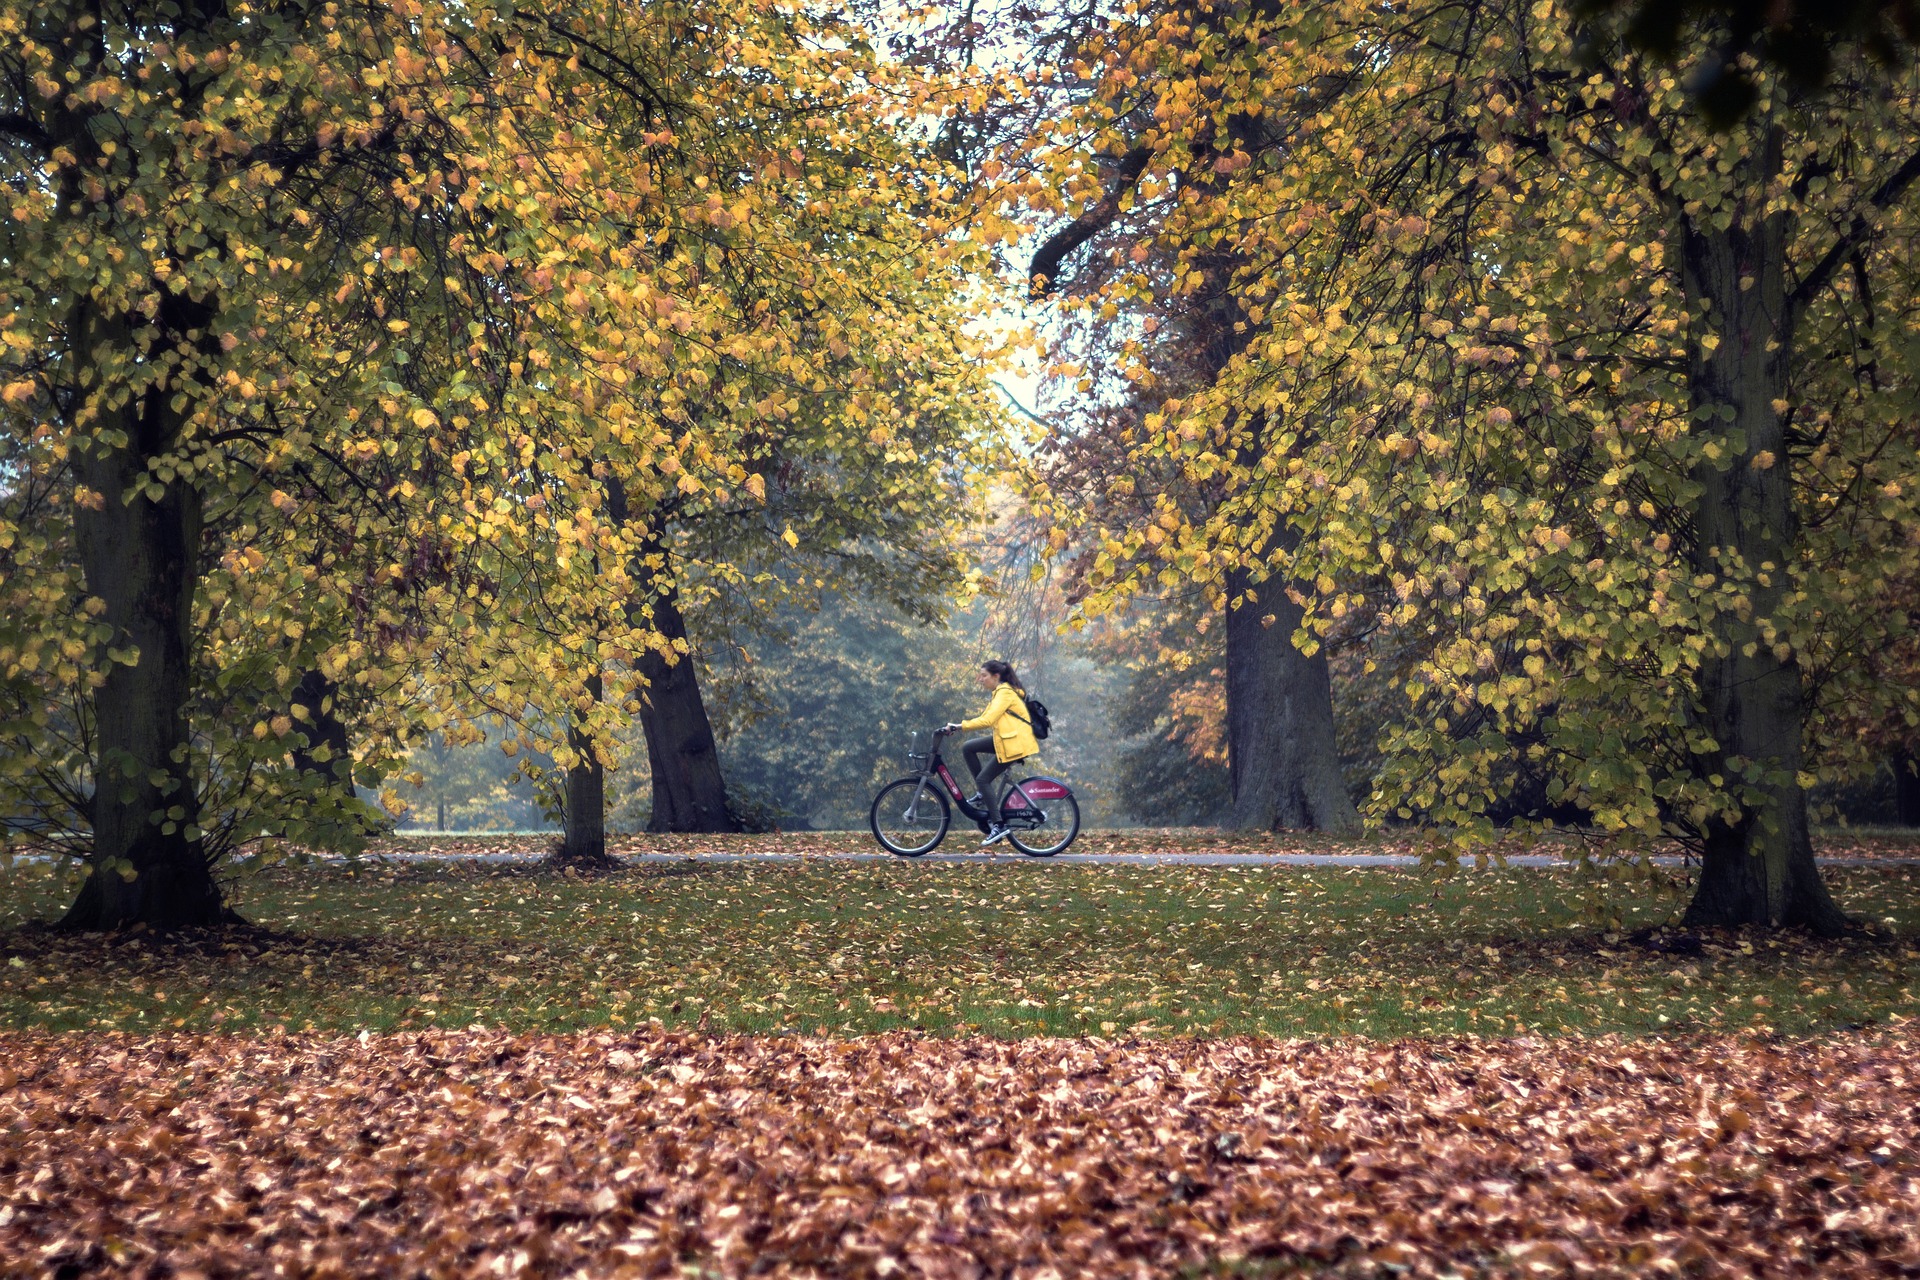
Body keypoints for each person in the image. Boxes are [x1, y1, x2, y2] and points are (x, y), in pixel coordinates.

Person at [942, 660, 1039, 846]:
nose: (980, 679)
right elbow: (984, 718)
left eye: (984, 675)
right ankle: (982, 794)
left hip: (1014, 744)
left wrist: (959, 726)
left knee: (983, 779)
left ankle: (998, 824)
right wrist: (959, 726)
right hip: (1007, 739)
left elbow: (987, 721)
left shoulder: (1004, 693)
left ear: (996, 676)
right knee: (968, 747)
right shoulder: (999, 693)